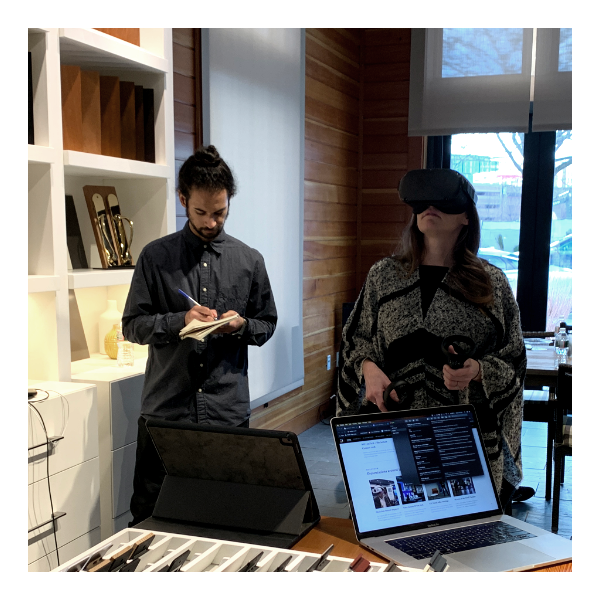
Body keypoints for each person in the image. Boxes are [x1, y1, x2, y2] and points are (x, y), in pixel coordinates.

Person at [337, 168, 530, 513]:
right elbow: (356, 339)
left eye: (443, 202)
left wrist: (479, 370)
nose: (430, 208)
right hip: (393, 431)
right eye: (422, 202)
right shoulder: (384, 276)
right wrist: (367, 369)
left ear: (466, 218)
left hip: (465, 441)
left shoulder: (491, 284)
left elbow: (513, 359)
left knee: (467, 547)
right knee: (394, 535)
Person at [122, 145, 278, 526]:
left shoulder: (249, 260)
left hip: (225, 412)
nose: (211, 222)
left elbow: (267, 323)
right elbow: (133, 326)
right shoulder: (155, 257)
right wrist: (179, 322)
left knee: (225, 513)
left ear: (229, 202)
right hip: (166, 411)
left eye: (220, 212)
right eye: (201, 212)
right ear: (182, 199)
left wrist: (241, 326)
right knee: (150, 514)